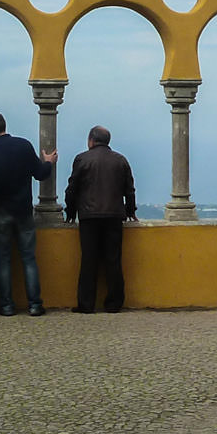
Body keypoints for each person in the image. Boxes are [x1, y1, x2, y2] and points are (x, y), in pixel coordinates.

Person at [0, 112, 55, 317]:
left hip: (2, 212)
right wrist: (48, 161)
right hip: (23, 211)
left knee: (3, 260)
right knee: (29, 258)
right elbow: (40, 173)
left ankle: (6, 306)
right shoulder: (24, 145)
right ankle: (35, 305)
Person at [65, 125, 137, 313]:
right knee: (113, 260)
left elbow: (72, 189)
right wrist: (130, 211)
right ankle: (114, 303)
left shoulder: (82, 159)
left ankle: (86, 304)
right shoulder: (120, 160)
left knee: (89, 260)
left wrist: (71, 212)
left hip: (89, 216)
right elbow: (129, 190)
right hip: (114, 215)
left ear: (91, 140)